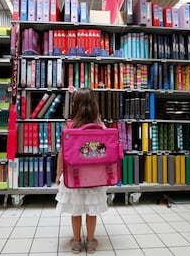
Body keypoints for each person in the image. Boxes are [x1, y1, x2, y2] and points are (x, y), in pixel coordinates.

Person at [55, 88, 108, 254]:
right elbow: (107, 150)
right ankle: (91, 242)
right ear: (95, 106)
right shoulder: (100, 126)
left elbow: (62, 153)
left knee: (76, 210)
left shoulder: (69, 126)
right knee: (92, 210)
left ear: (75, 105)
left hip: (74, 176)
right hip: (95, 177)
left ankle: (77, 242)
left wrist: (58, 174)